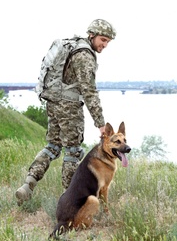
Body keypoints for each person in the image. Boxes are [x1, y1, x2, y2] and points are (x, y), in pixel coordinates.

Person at [15, 19, 116, 206]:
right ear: (92, 35)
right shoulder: (85, 55)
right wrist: (100, 123)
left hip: (53, 103)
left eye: (108, 42)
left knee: (52, 146)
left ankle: (28, 184)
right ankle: (71, 201)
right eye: (103, 40)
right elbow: (89, 91)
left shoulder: (72, 45)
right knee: (73, 151)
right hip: (69, 107)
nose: (105, 45)